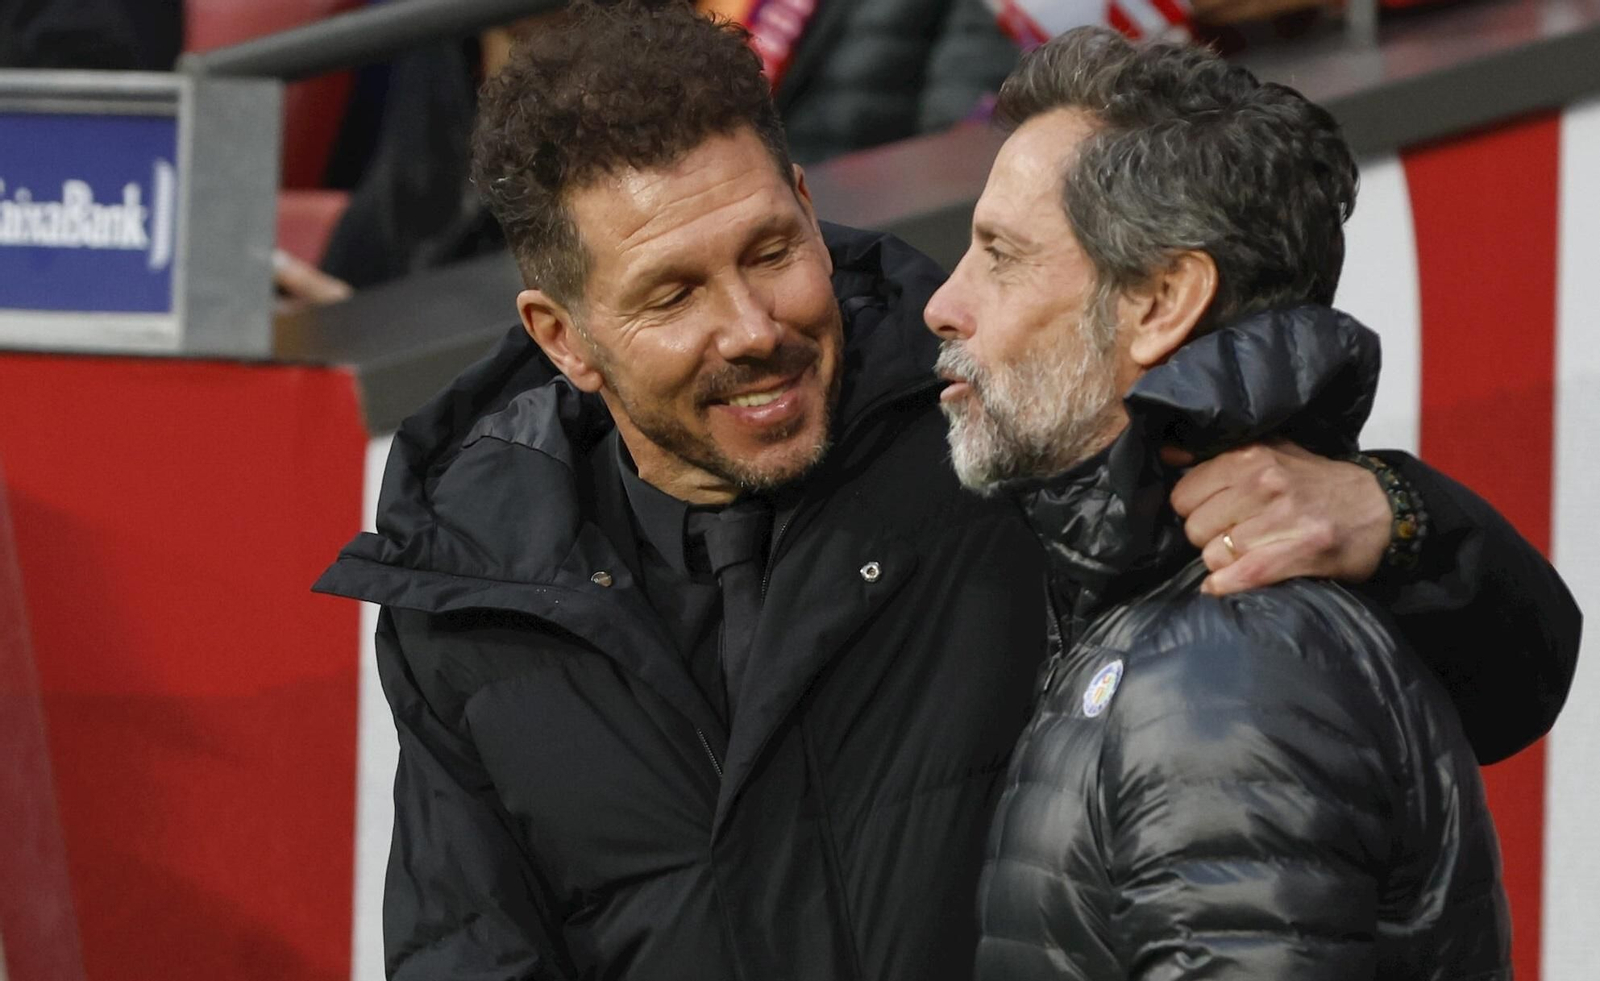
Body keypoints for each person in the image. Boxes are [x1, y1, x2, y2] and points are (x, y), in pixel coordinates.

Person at [313, 4, 1577, 980]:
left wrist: (1395, 518)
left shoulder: (990, 419)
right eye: (673, 294)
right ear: (562, 335)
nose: (752, 327)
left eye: (770, 250)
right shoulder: (473, 588)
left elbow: (1481, 683)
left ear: (807, 202)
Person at [921, 29, 1534, 979]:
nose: (944, 301)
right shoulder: (1159, 614)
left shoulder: (1225, 664)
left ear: (1161, 301)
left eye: (1000, 254)